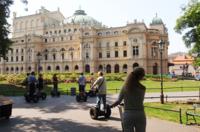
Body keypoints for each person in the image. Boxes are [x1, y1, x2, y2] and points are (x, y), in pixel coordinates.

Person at [110, 67, 146, 132]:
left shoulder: (125, 87)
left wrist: (111, 106)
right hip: (140, 114)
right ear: (141, 76)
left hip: (128, 114)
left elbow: (118, 101)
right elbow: (140, 100)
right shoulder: (143, 88)